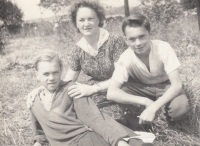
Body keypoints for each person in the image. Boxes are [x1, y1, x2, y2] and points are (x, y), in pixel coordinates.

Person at [29, 49, 146, 146]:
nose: (51, 78)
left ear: (61, 71)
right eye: (46, 74)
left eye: (55, 72)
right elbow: (41, 134)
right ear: (37, 75)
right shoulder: (33, 101)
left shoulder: (71, 89)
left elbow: (94, 120)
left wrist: (119, 142)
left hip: (87, 140)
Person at [107, 13, 189, 125]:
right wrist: (145, 101)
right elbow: (111, 92)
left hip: (166, 86)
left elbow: (177, 85)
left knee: (180, 108)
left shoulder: (163, 48)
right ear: (126, 40)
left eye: (142, 36)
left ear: (149, 34)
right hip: (142, 89)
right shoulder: (125, 57)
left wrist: (153, 107)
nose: (138, 43)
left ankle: (153, 116)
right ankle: (154, 116)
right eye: (132, 39)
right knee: (123, 91)